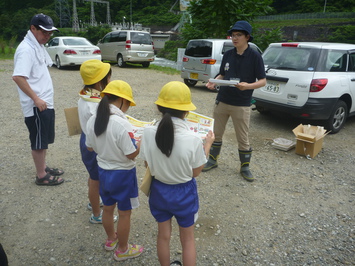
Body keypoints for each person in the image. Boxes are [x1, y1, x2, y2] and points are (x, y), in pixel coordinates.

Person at [140, 81, 215, 266]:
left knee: (163, 236)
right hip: (183, 192)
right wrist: (208, 145)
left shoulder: (148, 132)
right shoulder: (193, 139)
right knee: (187, 239)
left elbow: (146, 163)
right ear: (186, 112)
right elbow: (196, 172)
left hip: (159, 190)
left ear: (159, 107)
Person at [85, 80, 143, 261]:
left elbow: (89, 148)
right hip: (123, 175)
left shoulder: (94, 119)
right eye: (128, 104)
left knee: (108, 209)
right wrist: (139, 143)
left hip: (103, 172)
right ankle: (123, 249)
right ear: (122, 101)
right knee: (125, 213)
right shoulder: (121, 124)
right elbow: (131, 154)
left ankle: (111, 240)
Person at [203, 20, 266, 182]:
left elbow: (263, 81)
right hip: (222, 100)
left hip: (242, 103)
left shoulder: (255, 56)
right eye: (233, 35)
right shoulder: (229, 54)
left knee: (242, 138)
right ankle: (212, 160)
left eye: (238, 35)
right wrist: (214, 81)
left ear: (247, 37)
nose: (234, 38)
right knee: (216, 134)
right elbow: (223, 74)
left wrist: (248, 86)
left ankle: (245, 167)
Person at [12, 13, 64, 186]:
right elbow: (18, 77)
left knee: (44, 139)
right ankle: (41, 175)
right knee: (38, 141)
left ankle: (43, 167)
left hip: (44, 103)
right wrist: (35, 98)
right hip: (37, 105)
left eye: (50, 33)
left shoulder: (37, 45)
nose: (47, 36)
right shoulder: (26, 49)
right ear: (32, 28)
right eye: (44, 32)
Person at [78, 59, 117, 224]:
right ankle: (96, 214)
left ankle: (93, 201)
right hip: (94, 145)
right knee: (95, 180)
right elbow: (102, 129)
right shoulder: (95, 105)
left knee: (93, 176)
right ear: (101, 81)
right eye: (108, 78)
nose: (110, 81)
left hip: (86, 139)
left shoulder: (85, 96)